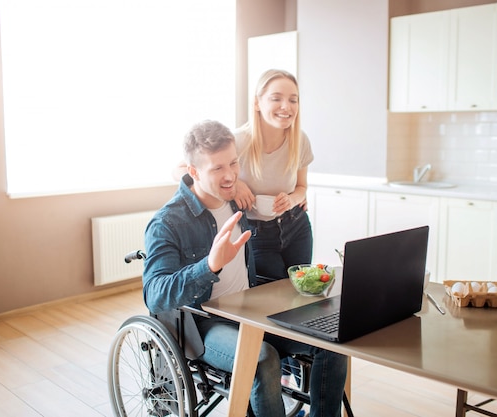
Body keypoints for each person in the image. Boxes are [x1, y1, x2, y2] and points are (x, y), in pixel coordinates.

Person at [142, 120, 347, 417]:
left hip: (250, 311)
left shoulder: (240, 203)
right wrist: (210, 265)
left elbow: (286, 202)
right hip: (204, 324)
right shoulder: (168, 222)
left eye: (234, 163)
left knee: (330, 341)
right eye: (217, 169)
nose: (230, 176)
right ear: (194, 172)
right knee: (263, 359)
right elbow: (155, 295)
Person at [233, 69, 314, 279]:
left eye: (293, 100)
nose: (286, 107)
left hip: (296, 225)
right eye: (276, 98)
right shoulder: (237, 141)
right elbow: (182, 170)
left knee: (301, 293)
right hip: (256, 233)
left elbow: (302, 188)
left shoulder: (300, 140)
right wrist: (236, 186)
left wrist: (291, 199)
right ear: (257, 103)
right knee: (274, 298)